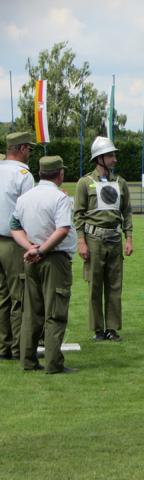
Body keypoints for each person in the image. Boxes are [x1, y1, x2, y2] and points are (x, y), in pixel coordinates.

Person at [10, 156, 77, 373]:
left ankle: (28, 361)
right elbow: (63, 229)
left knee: (31, 312)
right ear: (60, 173)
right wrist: (41, 250)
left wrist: (30, 247)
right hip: (54, 259)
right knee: (55, 313)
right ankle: (53, 363)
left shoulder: (25, 198)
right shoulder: (59, 198)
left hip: (31, 260)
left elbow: (14, 226)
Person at [74, 136, 133, 342]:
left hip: (115, 239)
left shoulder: (121, 183)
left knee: (115, 286)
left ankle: (112, 328)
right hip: (93, 240)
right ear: (99, 158)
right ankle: (98, 329)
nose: (115, 159)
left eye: (114, 155)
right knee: (95, 286)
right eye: (110, 155)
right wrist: (81, 241)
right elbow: (78, 215)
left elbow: (127, 212)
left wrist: (129, 238)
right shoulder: (85, 183)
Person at [0, 132, 35, 361]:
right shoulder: (23, 175)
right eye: (29, 149)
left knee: (2, 297)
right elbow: (29, 212)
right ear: (22, 148)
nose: (30, 153)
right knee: (19, 297)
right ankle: (17, 347)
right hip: (14, 242)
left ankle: (3, 346)